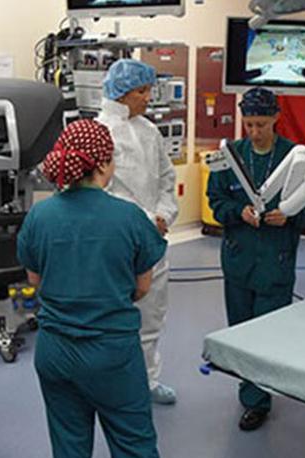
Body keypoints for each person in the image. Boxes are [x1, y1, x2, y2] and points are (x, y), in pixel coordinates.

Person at [17, 120, 187, 458]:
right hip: (111, 353)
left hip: (55, 352)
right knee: (132, 443)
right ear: (105, 163)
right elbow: (143, 286)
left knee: (69, 443)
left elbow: (35, 280)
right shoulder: (128, 216)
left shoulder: (40, 215)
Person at [207, 87, 305, 432]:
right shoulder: (230, 157)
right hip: (238, 261)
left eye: (261, 124)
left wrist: (290, 215)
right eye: (249, 124)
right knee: (243, 335)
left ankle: (262, 397)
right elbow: (216, 202)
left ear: (277, 117)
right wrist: (238, 211)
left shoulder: (298, 158)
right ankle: (252, 398)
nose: (255, 131)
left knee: (268, 337)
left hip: (275, 262)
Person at [97, 59, 179, 405]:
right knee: (115, 319)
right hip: (117, 244)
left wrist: (163, 214)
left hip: (153, 239)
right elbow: (101, 192)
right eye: (142, 91)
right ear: (121, 93)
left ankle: (147, 381)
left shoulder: (149, 130)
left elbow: (166, 178)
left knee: (152, 316)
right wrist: (145, 219)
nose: (148, 97)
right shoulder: (100, 133)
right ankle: (114, 386)